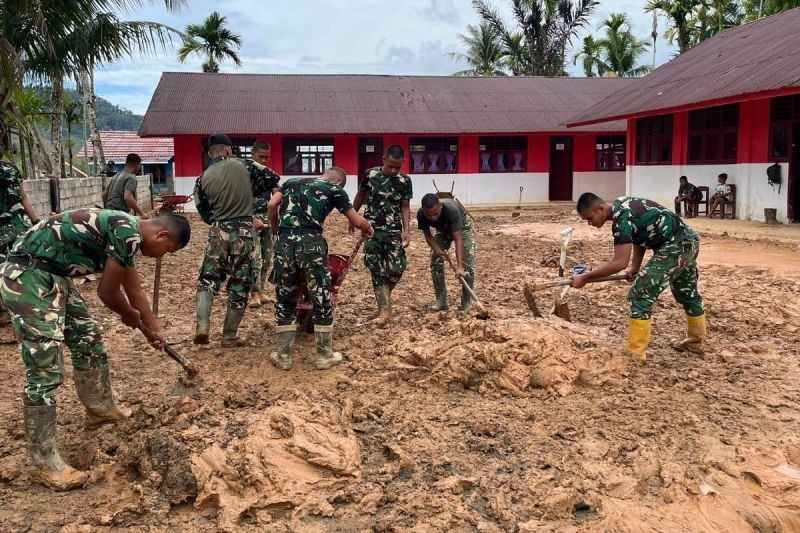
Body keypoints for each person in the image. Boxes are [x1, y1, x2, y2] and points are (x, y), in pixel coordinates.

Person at [0, 209, 191, 491]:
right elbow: (107, 292)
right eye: (167, 250)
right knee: (45, 364)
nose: (161, 256)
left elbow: (134, 291)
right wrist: (129, 315)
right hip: (29, 276)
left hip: (55, 276)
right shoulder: (127, 232)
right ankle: (43, 462)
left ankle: (100, 408)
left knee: (88, 337)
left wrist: (154, 328)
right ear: (161, 235)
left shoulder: (128, 232)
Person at [572, 193, 705, 360]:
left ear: (601, 209)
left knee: (640, 293)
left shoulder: (621, 220)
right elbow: (640, 235)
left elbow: (619, 263)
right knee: (687, 292)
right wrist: (635, 267)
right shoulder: (623, 204)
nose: (590, 223)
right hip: (689, 241)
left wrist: (585, 277)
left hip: (674, 246)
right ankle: (695, 341)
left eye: (589, 218)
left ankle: (635, 354)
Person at [268, 167, 373, 371]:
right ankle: (324, 356)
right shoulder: (335, 190)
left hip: (284, 243)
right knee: (321, 297)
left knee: (285, 297)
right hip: (312, 244)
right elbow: (356, 220)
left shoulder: (291, 182)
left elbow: (272, 204)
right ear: (339, 182)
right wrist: (368, 228)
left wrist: (275, 227)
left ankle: (283, 356)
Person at [193, 134, 257, 347]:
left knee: (208, 279)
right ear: (229, 150)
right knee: (240, 281)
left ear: (209, 153)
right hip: (244, 232)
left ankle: (202, 327)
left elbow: (203, 210)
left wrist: (219, 218)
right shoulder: (245, 165)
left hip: (218, 231)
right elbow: (271, 179)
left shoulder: (202, 178)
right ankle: (229, 336)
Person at [350, 145, 412, 325]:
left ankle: (383, 301)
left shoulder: (405, 181)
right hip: (371, 230)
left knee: (397, 268)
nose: (393, 170)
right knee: (376, 269)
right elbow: (360, 195)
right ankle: (384, 310)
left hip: (393, 230)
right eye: (390, 166)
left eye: (397, 167)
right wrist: (352, 217)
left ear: (403, 163)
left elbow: (405, 206)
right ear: (383, 159)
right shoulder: (370, 175)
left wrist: (406, 230)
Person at [417, 193, 477, 312]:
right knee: (435, 259)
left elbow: (458, 240)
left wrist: (459, 266)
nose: (433, 218)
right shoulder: (421, 214)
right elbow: (428, 235)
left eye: (435, 214)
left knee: (467, 262)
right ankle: (441, 301)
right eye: (429, 215)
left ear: (440, 206)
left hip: (462, 226)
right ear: (424, 211)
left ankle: (466, 301)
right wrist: (437, 250)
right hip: (442, 229)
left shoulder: (451, 211)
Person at [244, 141, 281, 309]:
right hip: (249, 218)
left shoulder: (268, 175)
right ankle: (253, 293)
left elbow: (276, 193)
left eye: (267, 157)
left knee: (267, 257)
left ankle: (262, 291)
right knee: (255, 257)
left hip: (266, 217)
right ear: (252, 154)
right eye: (261, 157)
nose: (264, 160)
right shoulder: (244, 173)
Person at [0, 149, 40, 262]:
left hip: (5, 230)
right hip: (18, 226)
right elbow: (23, 197)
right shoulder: (12, 169)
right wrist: (36, 222)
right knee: (24, 264)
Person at [102, 153, 149, 219]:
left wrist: (108, 207)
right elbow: (127, 197)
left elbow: (104, 195)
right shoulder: (130, 178)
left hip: (108, 212)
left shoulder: (116, 176)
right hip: (119, 214)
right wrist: (142, 213)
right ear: (137, 165)